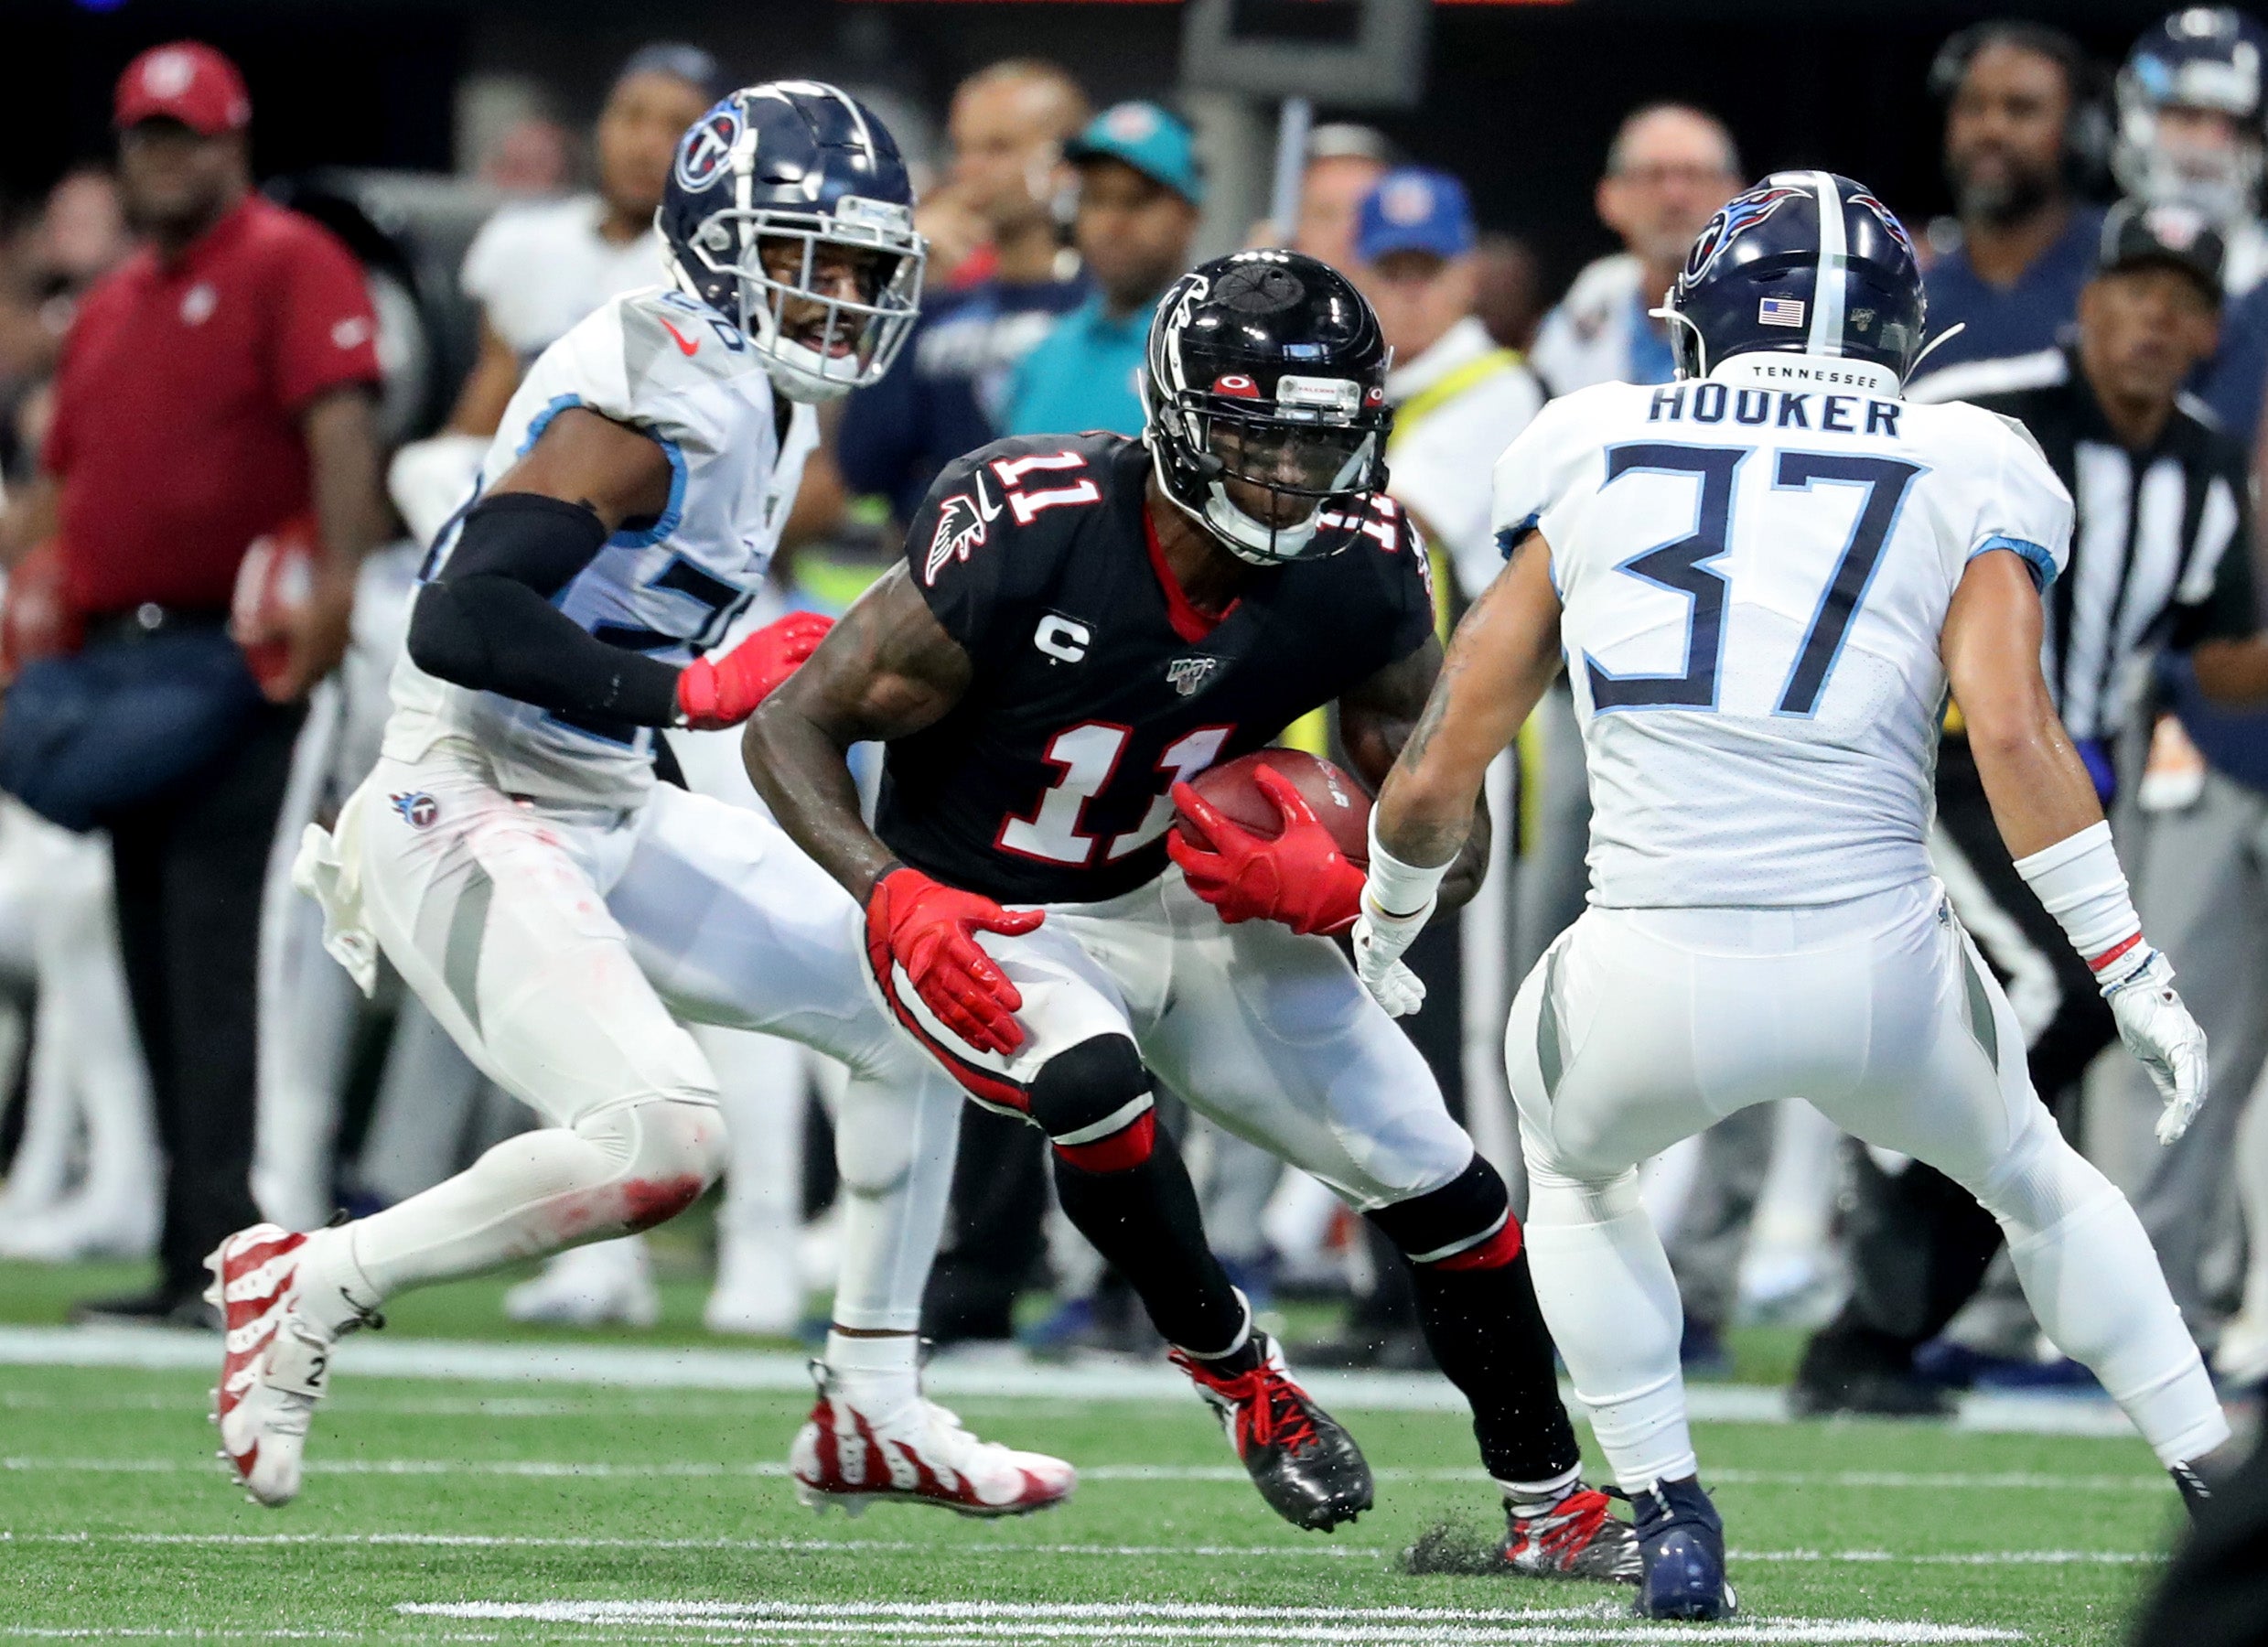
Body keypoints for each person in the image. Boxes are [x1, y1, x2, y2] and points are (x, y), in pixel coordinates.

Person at [1351, 170, 2237, 1620]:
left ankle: (1668, 1507)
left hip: (1637, 970)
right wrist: (2128, 967)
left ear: (1698, 318)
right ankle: (2210, 1469)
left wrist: (1383, 932)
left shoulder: (1586, 435)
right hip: (1875, 970)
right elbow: (2012, 732)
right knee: (2029, 1175)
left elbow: (1447, 748)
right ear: (1895, 332)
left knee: (1571, 1173)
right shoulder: (1967, 454)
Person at [205, 81, 1072, 1522]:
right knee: (665, 1138)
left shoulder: (756, 381)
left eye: (863, 266)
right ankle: (305, 1278)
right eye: (810, 256)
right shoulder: (649, 386)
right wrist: (688, 695)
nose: (841, 295)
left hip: (596, 796)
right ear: (716, 239)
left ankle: (873, 1403)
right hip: (464, 793)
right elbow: (461, 618)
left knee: (926, 992)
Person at [747, 249, 1636, 1579]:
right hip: (985, 907)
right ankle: (1236, 1373)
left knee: (1440, 1177)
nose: (1288, 474)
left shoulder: (1364, 557)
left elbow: (1453, 828)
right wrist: (889, 891)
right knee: (1093, 1080)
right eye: (1256, 434)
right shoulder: (1029, 518)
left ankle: (1554, 1508)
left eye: (1318, 440)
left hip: (1188, 892)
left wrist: (1353, 885)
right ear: (1174, 417)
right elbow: (788, 729)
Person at [1795, 200, 2268, 1412]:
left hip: (2065, 782)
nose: (2152, 322)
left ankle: (1885, 1281)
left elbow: (2218, 659)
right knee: (2062, 996)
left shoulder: (2207, 462)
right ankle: (1883, 1247)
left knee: (2040, 1027)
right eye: (2133, 292)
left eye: (2180, 302)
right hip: (1933, 757)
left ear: (2210, 330)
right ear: (2085, 304)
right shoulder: (1984, 413)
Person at [0, 42, 387, 1328]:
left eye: (186, 135)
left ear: (234, 144)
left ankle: (244, 1252)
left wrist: (333, 594)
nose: (164, 157)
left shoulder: (287, 259)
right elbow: (63, 484)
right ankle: (193, 1250)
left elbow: (342, 424)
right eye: (144, 137)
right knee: (157, 960)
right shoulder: (111, 304)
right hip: (119, 657)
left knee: (230, 961)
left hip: (240, 654)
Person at [838, 60, 1091, 531]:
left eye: (997, 148)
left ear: (1064, 165)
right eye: (962, 148)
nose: (968, 169)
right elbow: (864, 465)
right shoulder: (935, 306)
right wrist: (904, 288)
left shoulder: (1102, 312)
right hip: (938, 575)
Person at [1908, 23, 2111, 392]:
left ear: (2078, 133)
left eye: (2020, 109)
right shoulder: (1912, 302)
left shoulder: (2124, 274)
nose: (1992, 130)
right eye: (1973, 107)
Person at [1001, 102, 1201, 439]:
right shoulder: (1042, 357)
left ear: (1189, 215)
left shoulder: (1208, 361)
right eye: (1096, 198)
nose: (1113, 223)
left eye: (1136, 200)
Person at [1528, 103, 1740, 398]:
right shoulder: (1580, 316)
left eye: (1694, 175)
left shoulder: (1774, 318)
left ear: (1738, 195)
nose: (1674, 197)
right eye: (1654, 176)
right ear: (1609, 199)